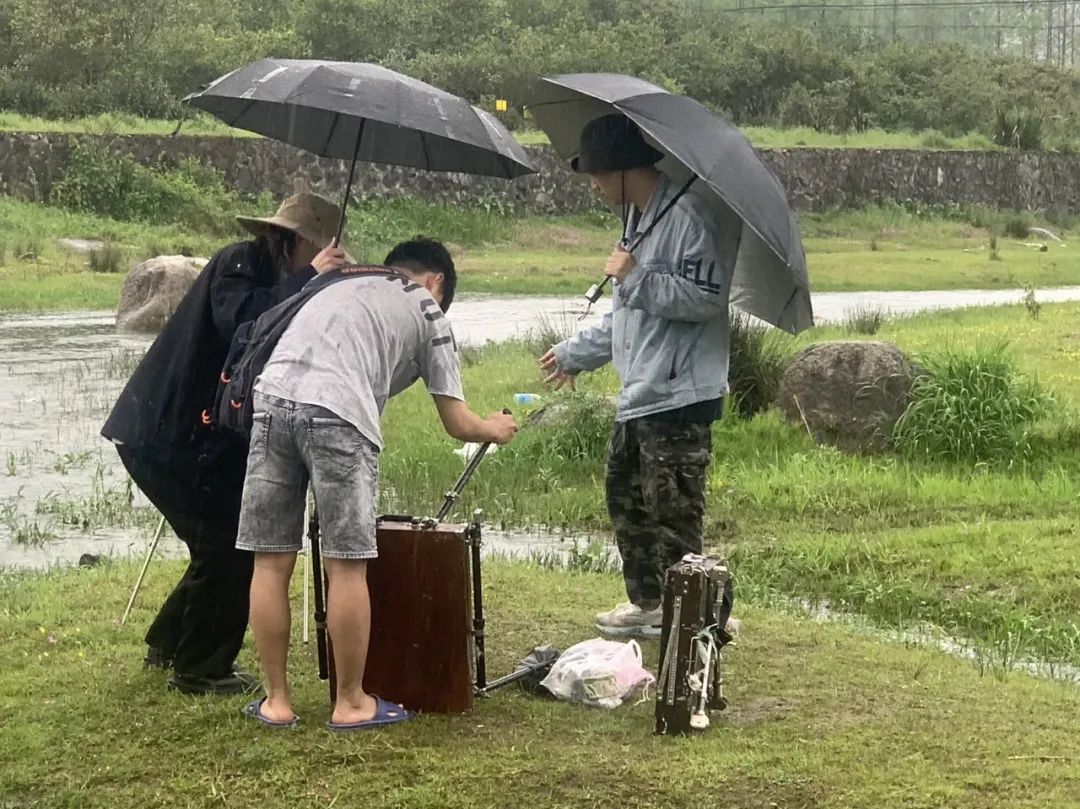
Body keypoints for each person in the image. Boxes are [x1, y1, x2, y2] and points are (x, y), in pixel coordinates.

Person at [237, 238, 518, 730]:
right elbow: (456, 421)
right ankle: (350, 703)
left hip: (270, 399)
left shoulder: (339, 280)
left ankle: (276, 702)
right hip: (339, 414)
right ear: (437, 282)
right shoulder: (428, 308)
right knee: (346, 565)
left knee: (271, 558)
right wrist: (493, 428)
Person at [102, 193, 349, 695]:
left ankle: (170, 641)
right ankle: (199, 668)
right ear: (300, 241)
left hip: (198, 435)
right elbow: (245, 322)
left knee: (219, 539)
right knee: (227, 544)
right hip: (164, 431)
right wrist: (310, 280)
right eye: (323, 250)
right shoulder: (239, 263)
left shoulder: (279, 276)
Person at [540, 115, 740, 638]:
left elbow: (707, 299)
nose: (593, 184)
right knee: (625, 496)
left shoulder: (690, 218)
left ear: (626, 170)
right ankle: (650, 602)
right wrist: (573, 354)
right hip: (640, 393)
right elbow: (628, 315)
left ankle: (701, 615)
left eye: (598, 173)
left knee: (673, 510)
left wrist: (638, 275)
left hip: (680, 394)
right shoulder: (638, 220)